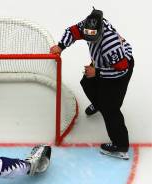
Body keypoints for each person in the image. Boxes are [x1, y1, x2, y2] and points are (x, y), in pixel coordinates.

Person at [50, 8, 134, 160]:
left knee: (111, 109)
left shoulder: (110, 44)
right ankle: (99, 103)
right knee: (87, 83)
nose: (88, 39)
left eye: (93, 37)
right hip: (100, 62)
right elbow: (73, 31)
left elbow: (122, 69)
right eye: (86, 35)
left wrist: (98, 72)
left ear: (100, 31)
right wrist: (61, 46)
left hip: (118, 67)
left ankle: (120, 145)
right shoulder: (88, 26)